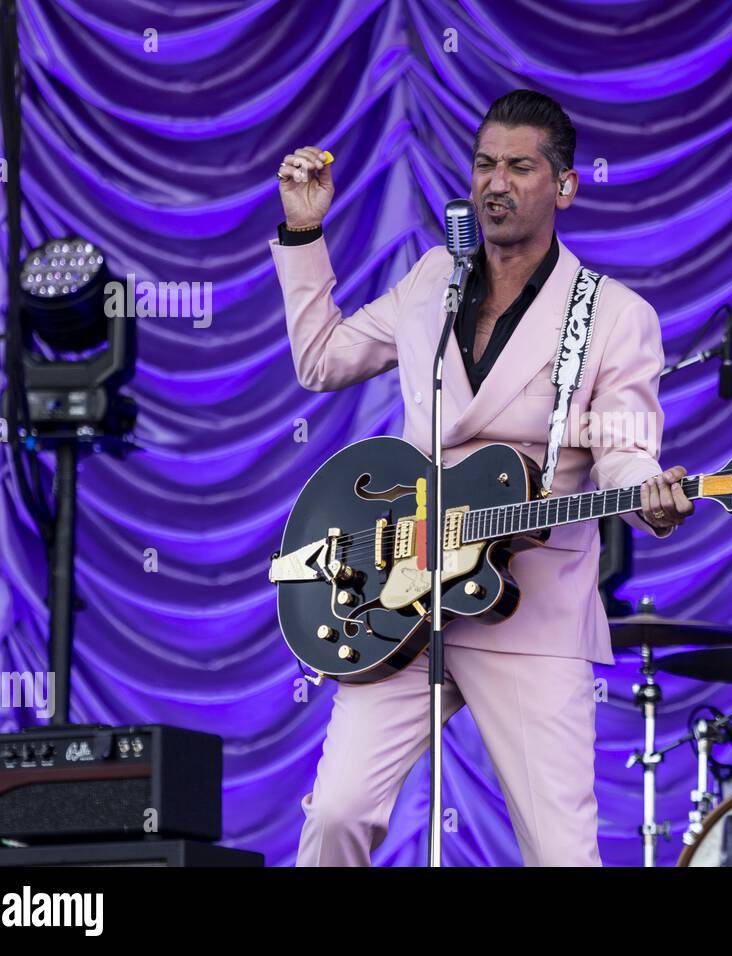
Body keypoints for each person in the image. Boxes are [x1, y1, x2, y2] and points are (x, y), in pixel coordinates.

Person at [270, 90, 693, 866]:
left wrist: (650, 499)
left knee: (562, 854)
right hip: (401, 595)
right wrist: (304, 228)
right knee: (333, 816)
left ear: (564, 186)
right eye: (484, 164)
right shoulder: (433, 277)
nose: (495, 183)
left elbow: (626, 450)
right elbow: (321, 360)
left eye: (520, 167)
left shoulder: (613, 315)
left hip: (530, 607)